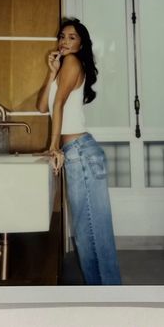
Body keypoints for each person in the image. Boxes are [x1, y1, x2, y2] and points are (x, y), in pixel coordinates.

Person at [36, 18, 121, 285]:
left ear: (81, 43)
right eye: (62, 36)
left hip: (81, 153)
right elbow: (43, 107)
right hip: (78, 153)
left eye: (72, 37)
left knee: (94, 234)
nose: (65, 41)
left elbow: (59, 105)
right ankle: (101, 295)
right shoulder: (62, 67)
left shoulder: (73, 62)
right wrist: (50, 71)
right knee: (87, 234)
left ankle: (111, 297)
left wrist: (52, 147)